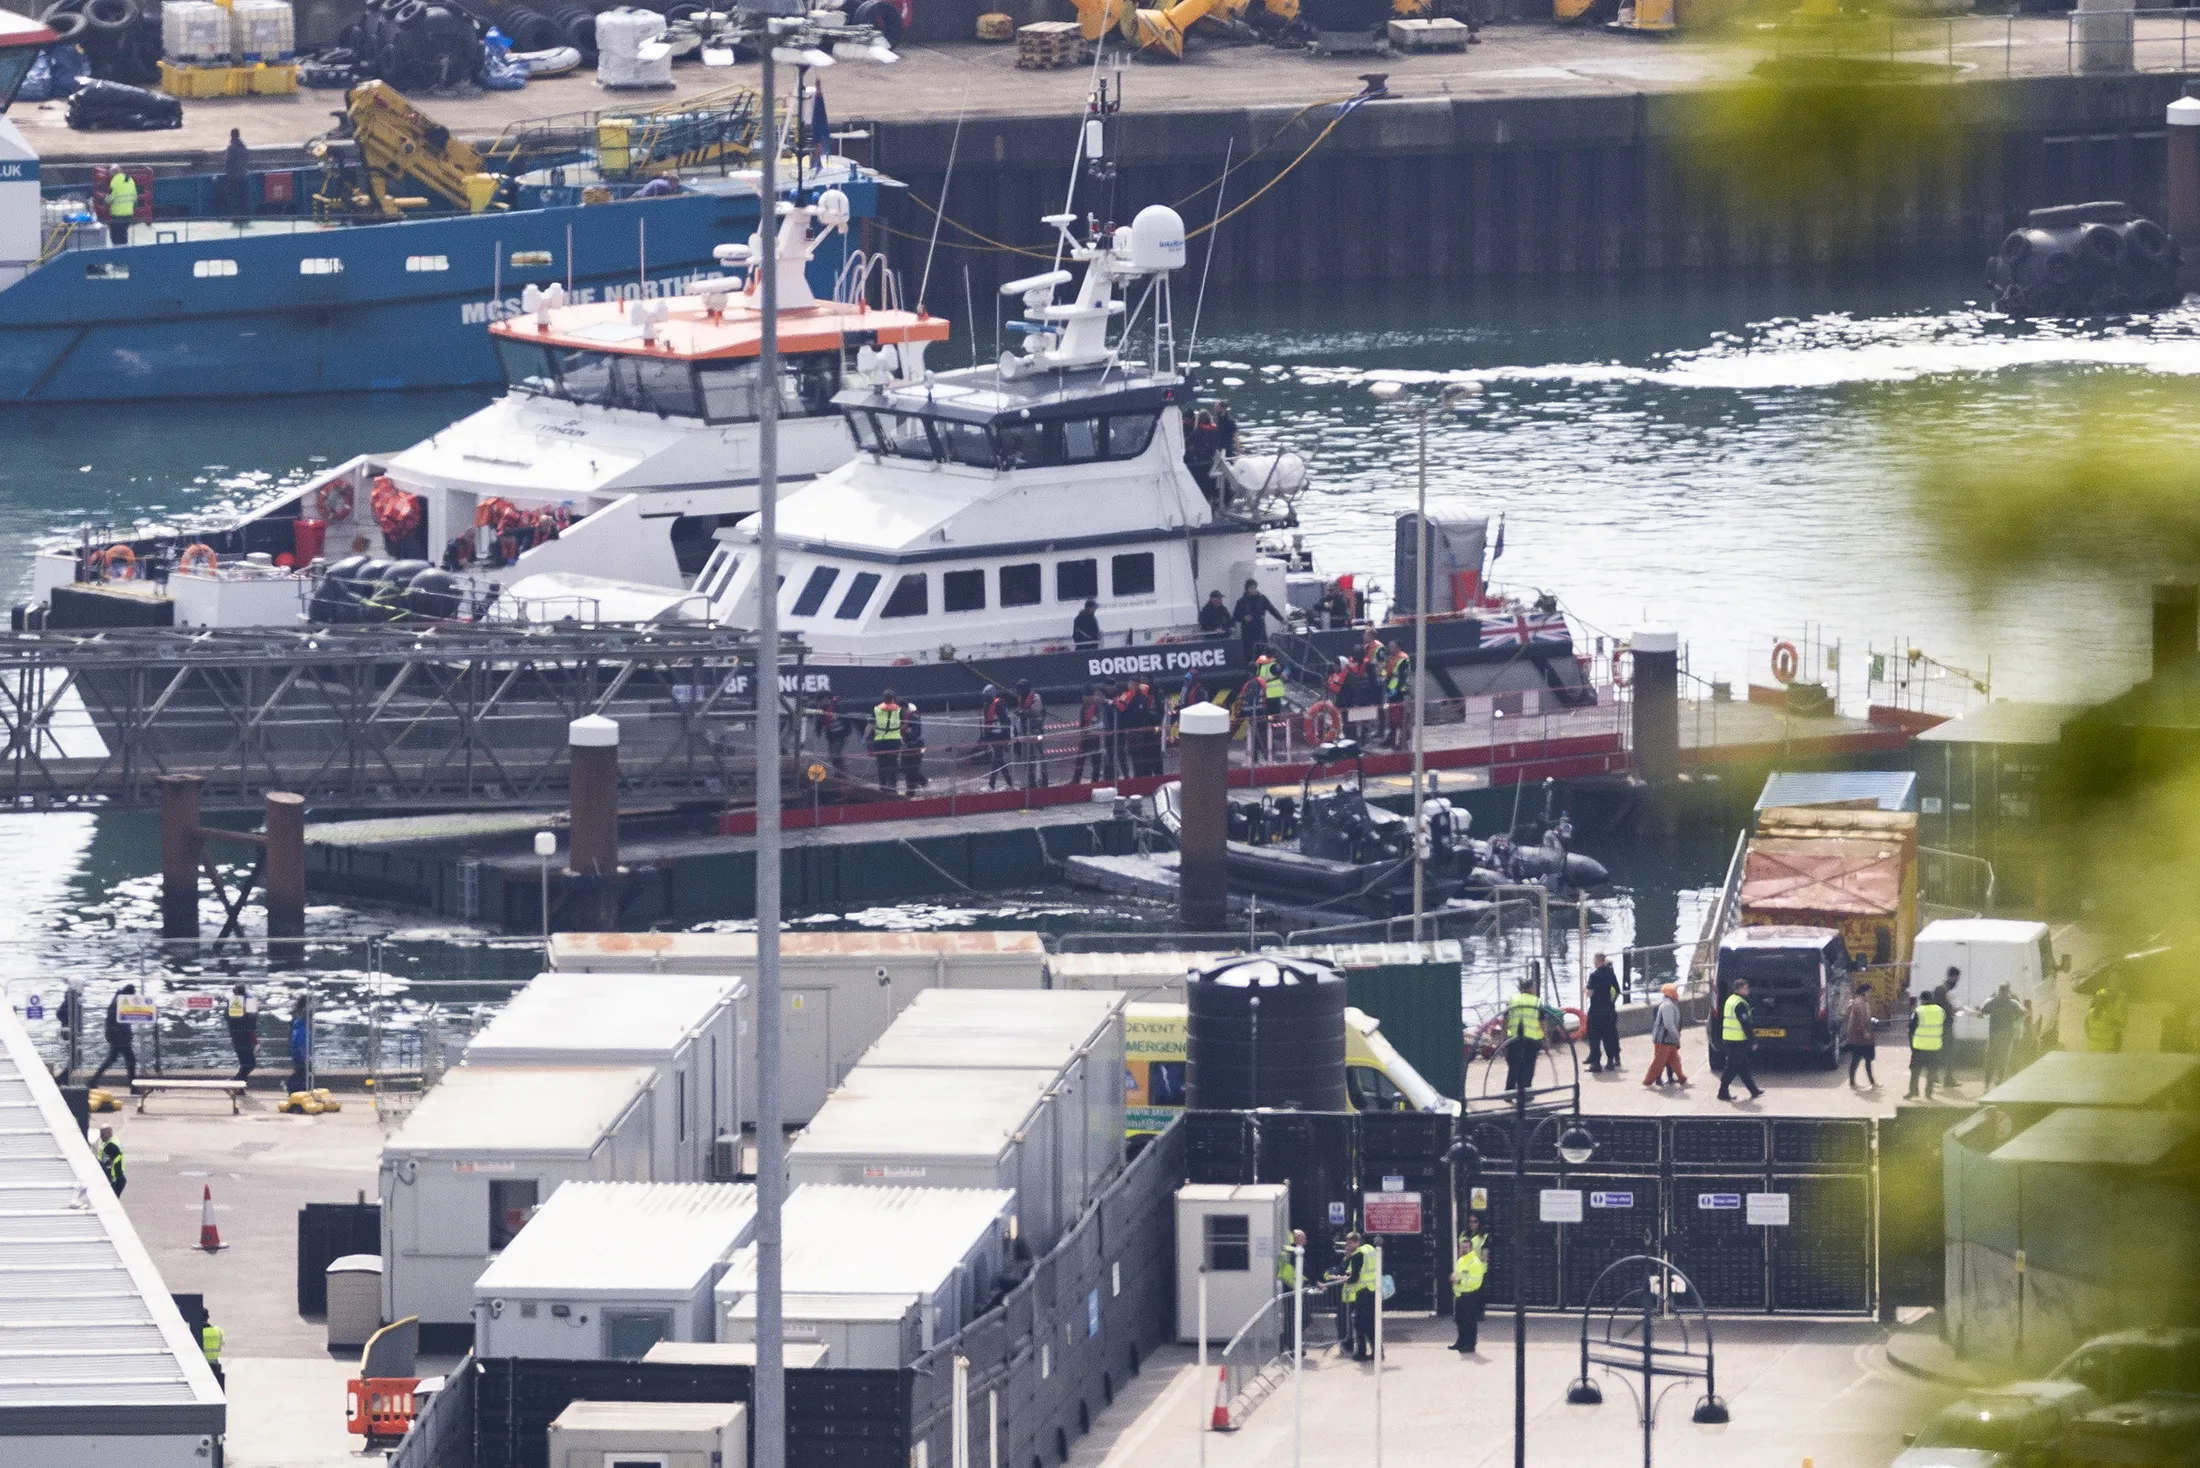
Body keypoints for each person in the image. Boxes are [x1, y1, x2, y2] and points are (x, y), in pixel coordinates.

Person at [1717, 978, 1764, 1102]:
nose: (1748, 990)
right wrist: (1753, 1041)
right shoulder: (1739, 1004)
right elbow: (1746, 1024)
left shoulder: (1731, 1000)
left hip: (1730, 1038)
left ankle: (1753, 1090)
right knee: (1731, 1067)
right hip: (1736, 1040)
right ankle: (1722, 1092)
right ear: (1740, 989)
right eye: (1746, 988)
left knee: (1742, 1066)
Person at [88, 984, 140, 1089]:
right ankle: (133, 1087)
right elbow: (121, 1020)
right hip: (120, 1037)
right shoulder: (119, 1002)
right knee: (131, 1060)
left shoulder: (118, 1000)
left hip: (116, 1036)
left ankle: (93, 1081)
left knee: (111, 1059)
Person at [1338, 1231, 1378, 1362]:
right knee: (1370, 1324)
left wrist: (1345, 1279)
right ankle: (1377, 1351)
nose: (1348, 1245)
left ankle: (1361, 1353)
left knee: (1359, 1324)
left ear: (1356, 1242)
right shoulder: (1370, 1249)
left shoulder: (1357, 1255)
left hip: (1362, 1292)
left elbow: (1355, 1278)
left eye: (1350, 1243)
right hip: (1372, 1289)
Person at [1905, 986, 1949, 1099]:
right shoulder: (1940, 1011)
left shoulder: (1918, 1011)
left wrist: (1912, 1045)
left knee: (1915, 1071)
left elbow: (1911, 1029)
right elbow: (1945, 1026)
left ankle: (1913, 1092)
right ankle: (1929, 1094)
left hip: (1919, 1048)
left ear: (1922, 1000)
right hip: (1935, 1047)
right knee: (1932, 1071)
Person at [1981, 982, 2026, 1089]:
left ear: (1999, 990)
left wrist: (1991, 998)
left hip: (1994, 1035)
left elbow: (1983, 1010)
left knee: (1990, 1060)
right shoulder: (2012, 1003)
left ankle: (1987, 1083)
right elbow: (2022, 1012)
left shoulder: (1992, 1002)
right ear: (2008, 991)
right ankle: (2000, 1081)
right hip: (2006, 1036)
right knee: (2003, 1059)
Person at [1450, 1224, 1488, 1354]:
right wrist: (1453, 1277)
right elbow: (1458, 1273)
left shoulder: (1474, 1262)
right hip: (1460, 1294)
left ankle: (1470, 1345)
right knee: (1459, 1320)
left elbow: (1476, 1281)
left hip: (1470, 1295)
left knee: (1469, 1321)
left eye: (1466, 1247)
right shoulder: (1461, 1260)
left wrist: (1460, 1281)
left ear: (1471, 1248)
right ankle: (1461, 1342)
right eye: (1462, 1246)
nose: (1464, 1248)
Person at [1642, 982, 1688, 1086]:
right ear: (1671, 993)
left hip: (1667, 1038)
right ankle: (1648, 1081)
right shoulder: (1668, 1006)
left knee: (1674, 1060)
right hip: (1665, 1039)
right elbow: (1669, 1025)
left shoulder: (1668, 1004)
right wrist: (1677, 1037)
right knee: (1659, 1061)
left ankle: (1682, 1078)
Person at [1503, 977, 1543, 1093]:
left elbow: (1505, 1019)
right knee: (1529, 1066)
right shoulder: (1536, 1001)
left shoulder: (1512, 999)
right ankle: (1526, 1091)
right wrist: (1546, 1039)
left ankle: (1509, 1091)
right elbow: (1542, 1022)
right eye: (1534, 987)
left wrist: (1504, 1038)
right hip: (1532, 1038)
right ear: (1530, 988)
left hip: (1514, 1037)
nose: (1535, 989)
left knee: (1514, 1066)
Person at [1233, 579, 1285, 667]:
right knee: (1249, 653)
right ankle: (1250, 671)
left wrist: (1281, 619)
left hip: (1260, 630)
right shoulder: (1241, 601)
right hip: (1247, 632)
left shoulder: (1262, 599)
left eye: (1254, 588)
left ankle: (1264, 669)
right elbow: (1235, 616)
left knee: (1263, 651)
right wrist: (1243, 618)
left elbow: (1272, 609)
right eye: (1251, 588)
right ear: (1247, 589)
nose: (1253, 590)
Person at [1584, 953, 1621, 1074]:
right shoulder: (1610, 973)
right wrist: (1611, 1002)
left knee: (1594, 1037)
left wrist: (1586, 990)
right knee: (1608, 1036)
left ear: (1597, 961)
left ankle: (1596, 1063)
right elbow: (1617, 990)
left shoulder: (1594, 975)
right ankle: (1610, 1061)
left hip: (1596, 1010)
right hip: (1608, 1009)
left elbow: (1590, 993)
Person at [1014, 680, 1048, 788]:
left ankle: (1044, 780)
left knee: (1040, 755)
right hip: (1025, 732)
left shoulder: (1036, 698)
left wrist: (1023, 712)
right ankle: (1031, 781)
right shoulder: (1021, 698)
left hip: (1036, 731)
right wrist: (1019, 712)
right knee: (1028, 757)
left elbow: (1036, 711)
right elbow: (1021, 710)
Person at [868, 690, 904, 792]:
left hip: (880, 741)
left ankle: (883, 787)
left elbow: (870, 726)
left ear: (884, 698)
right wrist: (901, 738)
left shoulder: (877, 709)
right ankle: (892, 786)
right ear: (893, 698)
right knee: (892, 763)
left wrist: (866, 739)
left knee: (881, 765)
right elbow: (902, 726)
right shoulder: (899, 710)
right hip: (894, 741)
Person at [1843, 984, 1878, 1089]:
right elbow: (1859, 1019)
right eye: (1869, 992)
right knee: (1857, 1060)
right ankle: (1855, 1083)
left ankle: (1869, 1083)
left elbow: (1865, 1018)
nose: (1870, 994)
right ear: (1864, 992)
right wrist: (1864, 1032)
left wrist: (1872, 1020)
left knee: (1863, 1060)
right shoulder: (1859, 1003)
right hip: (1860, 1038)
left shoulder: (1864, 1002)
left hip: (1863, 1038)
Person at [1276, 1228, 1306, 1348]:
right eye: (1303, 1238)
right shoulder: (1293, 1252)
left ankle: (1291, 1343)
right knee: (1294, 1319)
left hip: (1291, 1288)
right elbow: (1301, 1271)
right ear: (1295, 1239)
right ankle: (1292, 1346)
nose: (1305, 1241)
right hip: (1291, 1288)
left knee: (1293, 1319)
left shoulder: (1289, 1251)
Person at [981, 685, 1014, 790]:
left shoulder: (998, 705)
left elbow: (1005, 722)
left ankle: (991, 785)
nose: (984, 698)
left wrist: (1006, 738)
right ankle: (1010, 783)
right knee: (999, 760)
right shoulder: (988, 706)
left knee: (996, 759)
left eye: (986, 696)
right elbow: (988, 723)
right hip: (993, 735)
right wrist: (986, 737)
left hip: (999, 735)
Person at [1072, 685, 1106, 784]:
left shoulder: (1097, 708)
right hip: (1085, 737)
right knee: (1079, 760)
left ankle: (1094, 781)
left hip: (1095, 738)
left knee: (1096, 761)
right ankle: (1076, 780)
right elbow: (1082, 723)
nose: (1084, 698)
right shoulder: (1083, 707)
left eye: (1086, 696)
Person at [1380, 642, 1411, 750]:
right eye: (1389, 647)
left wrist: (1396, 688)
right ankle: (1391, 738)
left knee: (1402, 717)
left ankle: (1403, 741)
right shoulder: (1390, 658)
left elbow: (1402, 675)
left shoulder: (1403, 658)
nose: (1389, 648)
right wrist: (1382, 676)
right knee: (1392, 716)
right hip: (1391, 691)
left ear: (1398, 647)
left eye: (1392, 647)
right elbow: (1385, 672)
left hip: (1400, 692)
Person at [225, 984, 257, 1083]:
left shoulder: (234, 1001)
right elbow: (252, 1019)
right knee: (249, 1064)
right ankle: (236, 1082)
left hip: (238, 1035)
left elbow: (230, 1019)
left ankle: (238, 1084)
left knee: (246, 1063)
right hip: (245, 1036)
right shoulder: (248, 1000)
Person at [2084, 985, 2127, 1053]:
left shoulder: (2108, 1016)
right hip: (2095, 1049)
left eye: (2100, 1000)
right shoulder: (2090, 1014)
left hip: (2106, 1050)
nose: (2098, 1002)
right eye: (2097, 1000)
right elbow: (2086, 1025)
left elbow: (2120, 1028)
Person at [898, 699, 927, 794]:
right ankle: (918, 785)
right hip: (907, 747)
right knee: (906, 769)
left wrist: (906, 734)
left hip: (914, 747)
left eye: (901, 709)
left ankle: (918, 785)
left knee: (911, 770)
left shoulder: (912, 717)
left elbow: (916, 733)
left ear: (905, 708)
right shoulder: (905, 718)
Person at [105, 165, 137, 247]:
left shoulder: (114, 181)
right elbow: (135, 197)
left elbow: (110, 198)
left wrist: (105, 200)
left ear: (113, 173)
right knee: (124, 235)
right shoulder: (130, 179)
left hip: (117, 214)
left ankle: (116, 253)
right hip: (129, 214)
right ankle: (125, 251)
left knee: (115, 237)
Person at [287, 996, 313, 1094]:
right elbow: (302, 1039)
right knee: (304, 1070)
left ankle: (293, 1089)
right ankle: (294, 1089)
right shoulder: (302, 1022)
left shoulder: (296, 1019)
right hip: (301, 1048)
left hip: (297, 1048)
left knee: (300, 1069)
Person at [223, 128, 250, 216]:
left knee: (235, 199)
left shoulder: (231, 148)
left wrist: (229, 173)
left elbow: (228, 163)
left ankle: (236, 215)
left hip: (234, 178)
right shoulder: (244, 147)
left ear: (231, 135)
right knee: (243, 198)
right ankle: (244, 215)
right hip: (243, 175)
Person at [97, 1125, 125, 1196]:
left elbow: (106, 1165)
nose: (101, 1136)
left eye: (102, 1134)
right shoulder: (114, 1141)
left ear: (108, 1133)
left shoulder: (110, 1146)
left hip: (114, 1180)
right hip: (119, 1178)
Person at [200, 1316, 225, 1389]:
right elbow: (223, 1343)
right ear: (207, 1318)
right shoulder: (218, 1331)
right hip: (214, 1362)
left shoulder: (196, 1332)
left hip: (202, 1362)